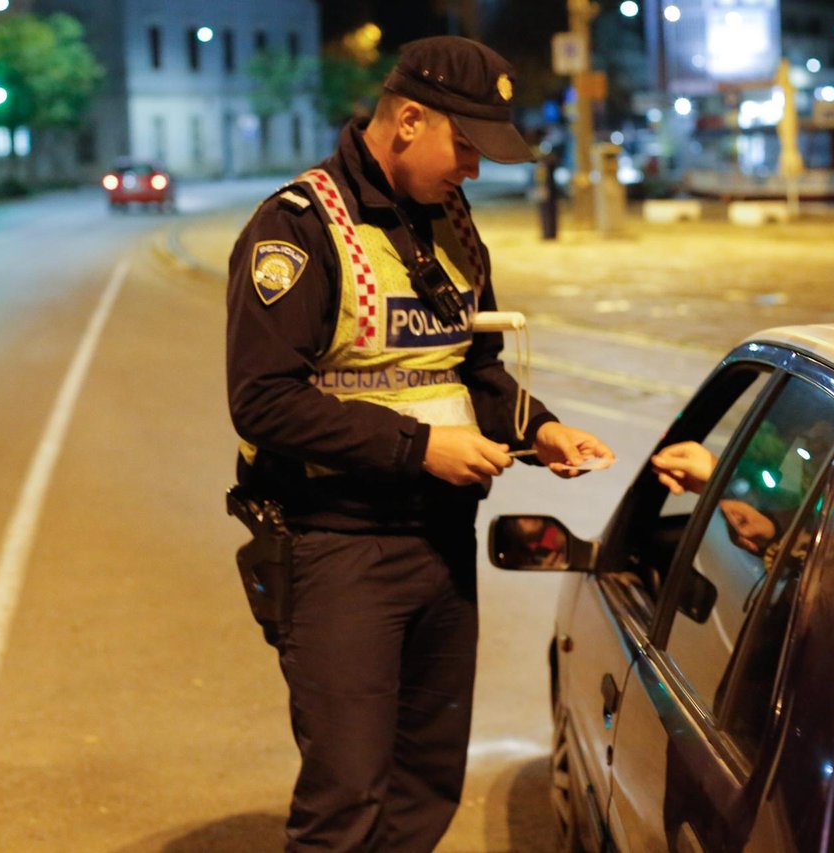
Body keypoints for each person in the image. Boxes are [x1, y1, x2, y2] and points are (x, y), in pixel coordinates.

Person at [225, 36, 614, 852]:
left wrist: (539, 427)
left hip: (440, 539)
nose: (474, 169)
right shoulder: (298, 228)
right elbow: (262, 401)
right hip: (337, 548)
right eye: (466, 146)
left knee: (425, 781)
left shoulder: (448, 220)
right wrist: (420, 450)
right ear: (407, 121)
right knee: (347, 797)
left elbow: (472, 366)